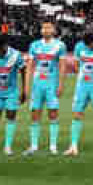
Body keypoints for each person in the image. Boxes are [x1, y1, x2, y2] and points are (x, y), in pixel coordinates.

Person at [23, 19, 67, 155]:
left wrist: (60, 84)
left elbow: (62, 66)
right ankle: (34, 146)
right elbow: (29, 67)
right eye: (43, 28)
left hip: (51, 85)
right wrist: (26, 86)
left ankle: (53, 146)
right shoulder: (34, 45)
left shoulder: (60, 45)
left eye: (49, 28)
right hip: (37, 85)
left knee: (53, 113)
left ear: (54, 30)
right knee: (34, 114)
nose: (46, 30)